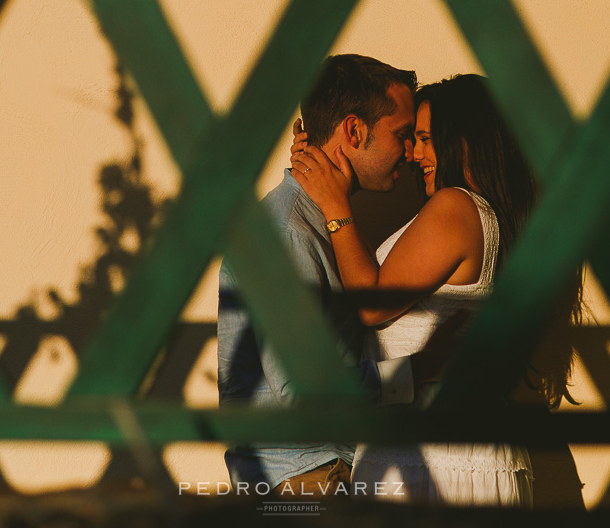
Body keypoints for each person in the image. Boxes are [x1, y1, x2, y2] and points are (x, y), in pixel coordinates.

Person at [290, 73, 583, 506]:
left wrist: (335, 206)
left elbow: (372, 305)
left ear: (463, 141)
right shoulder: (483, 214)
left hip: (436, 459)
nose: (413, 154)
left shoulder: (457, 207)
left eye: (425, 138)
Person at [218, 53, 432, 496]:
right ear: (354, 131)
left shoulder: (316, 224)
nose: (411, 153)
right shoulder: (290, 232)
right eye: (403, 135)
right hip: (307, 479)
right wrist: (416, 373)